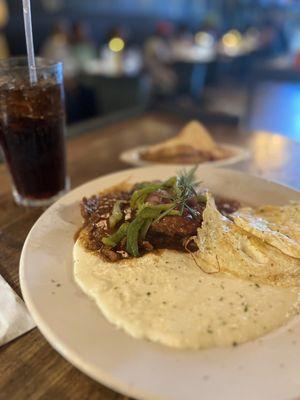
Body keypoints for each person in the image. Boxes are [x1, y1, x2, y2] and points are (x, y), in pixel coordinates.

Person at [144, 21, 177, 96]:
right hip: (155, 72)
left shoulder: (158, 41)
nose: (167, 33)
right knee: (172, 76)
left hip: (157, 70)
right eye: (165, 31)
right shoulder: (154, 42)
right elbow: (166, 59)